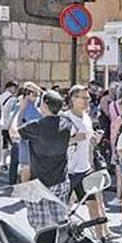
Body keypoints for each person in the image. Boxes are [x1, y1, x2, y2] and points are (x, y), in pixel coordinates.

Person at [10, 90, 73, 231]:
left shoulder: (36, 127)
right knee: (60, 221)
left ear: (44, 104)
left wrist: (20, 110)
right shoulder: (66, 123)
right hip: (61, 181)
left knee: (41, 226)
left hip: (40, 183)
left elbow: (13, 133)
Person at [65, 85, 117, 243]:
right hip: (68, 171)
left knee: (94, 206)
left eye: (88, 98)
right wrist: (75, 138)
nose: (87, 101)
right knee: (65, 208)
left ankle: (102, 240)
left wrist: (94, 138)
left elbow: (88, 142)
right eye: (84, 98)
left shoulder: (87, 118)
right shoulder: (65, 118)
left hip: (85, 169)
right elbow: (59, 141)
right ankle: (62, 239)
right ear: (73, 99)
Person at [13, 82, 44, 183]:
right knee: (26, 167)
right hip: (26, 142)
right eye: (35, 94)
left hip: (36, 143)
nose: (37, 97)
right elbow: (16, 126)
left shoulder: (36, 108)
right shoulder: (21, 106)